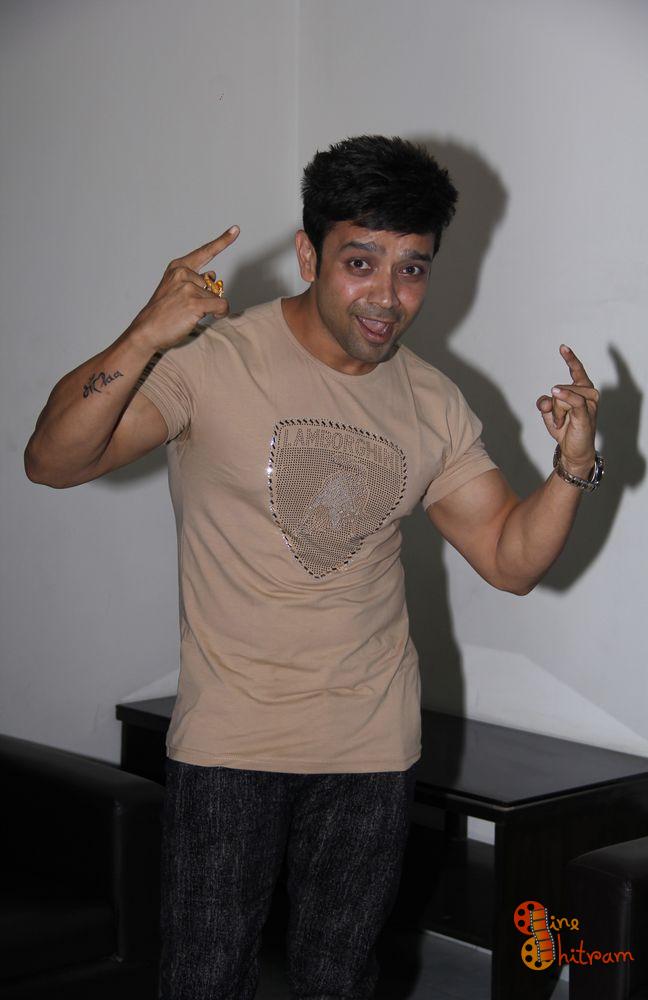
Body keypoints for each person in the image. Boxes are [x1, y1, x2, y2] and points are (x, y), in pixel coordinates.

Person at [24, 134, 602, 1000]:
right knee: (205, 982)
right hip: (231, 742)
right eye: (360, 262)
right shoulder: (212, 361)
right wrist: (144, 334)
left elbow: (508, 560)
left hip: (372, 745)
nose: (387, 296)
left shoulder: (432, 400)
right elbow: (52, 462)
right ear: (308, 255)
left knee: (338, 983)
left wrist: (570, 467)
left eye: (411, 268)